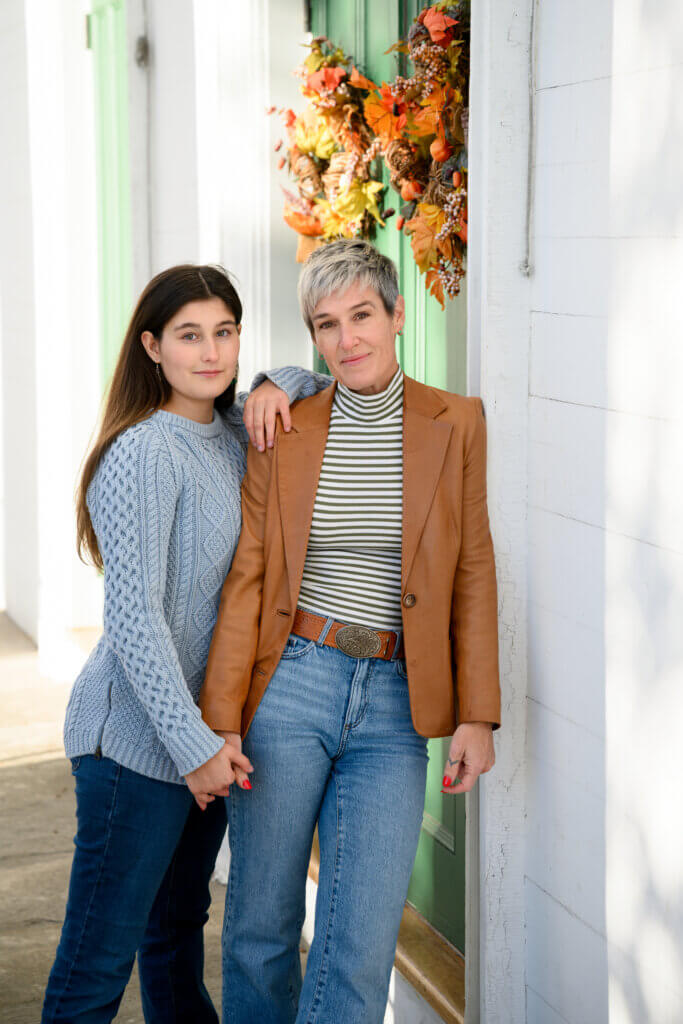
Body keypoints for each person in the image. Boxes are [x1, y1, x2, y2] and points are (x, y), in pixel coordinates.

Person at [199, 238, 501, 1024]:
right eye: (326, 324)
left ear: (397, 316)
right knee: (261, 926)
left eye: (362, 315)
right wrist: (217, 723)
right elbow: (248, 580)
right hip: (290, 685)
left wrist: (477, 713)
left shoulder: (455, 422)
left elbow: (472, 571)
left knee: (359, 943)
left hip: (397, 707)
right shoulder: (286, 426)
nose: (347, 339)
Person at [41, 264, 329, 1024]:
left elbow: (308, 377)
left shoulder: (237, 431)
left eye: (225, 333)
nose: (210, 352)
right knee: (96, 962)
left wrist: (270, 381)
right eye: (188, 336)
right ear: (151, 347)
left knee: (172, 936)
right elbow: (134, 619)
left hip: (205, 735)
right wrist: (193, 747)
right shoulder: (144, 451)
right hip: (134, 743)